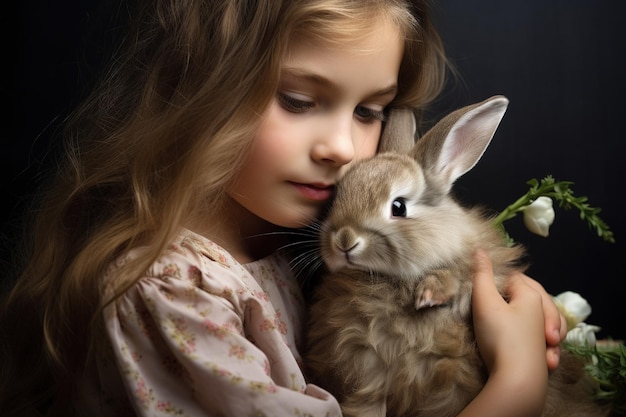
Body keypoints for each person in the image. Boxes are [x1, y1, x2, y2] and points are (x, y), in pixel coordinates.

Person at [1, 1, 566, 416]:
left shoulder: (281, 241)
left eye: (369, 112)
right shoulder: (174, 294)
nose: (342, 149)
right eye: (298, 101)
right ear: (203, 89)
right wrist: (514, 386)